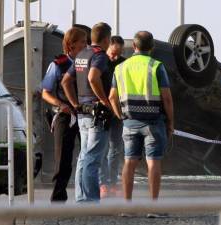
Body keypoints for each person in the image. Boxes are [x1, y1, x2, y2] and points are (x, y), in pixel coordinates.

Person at [109, 31, 174, 217]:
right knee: (153, 162)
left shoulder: (121, 68)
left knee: (129, 162)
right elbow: (167, 98)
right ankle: (153, 208)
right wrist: (171, 122)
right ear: (152, 47)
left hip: (130, 122)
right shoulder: (156, 66)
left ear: (134, 47)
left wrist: (120, 115)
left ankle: (126, 208)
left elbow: (112, 96)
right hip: (153, 123)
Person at [61, 22, 113, 202]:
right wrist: (104, 101)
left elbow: (66, 81)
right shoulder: (100, 56)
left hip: (83, 112)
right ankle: (91, 200)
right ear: (107, 39)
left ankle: (82, 198)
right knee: (93, 158)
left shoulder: (81, 55)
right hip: (96, 114)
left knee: (84, 156)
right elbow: (93, 77)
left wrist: (75, 103)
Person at [41, 27, 87, 202]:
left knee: (88, 155)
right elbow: (45, 92)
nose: (86, 45)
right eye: (82, 42)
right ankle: (58, 197)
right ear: (71, 45)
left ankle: (85, 195)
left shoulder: (87, 62)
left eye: (86, 41)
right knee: (63, 160)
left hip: (84, 115)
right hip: (64, 116)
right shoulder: (57, 65)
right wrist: (61, 105)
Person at [99, 36, 126, 198]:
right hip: (102, 110)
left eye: (118, 54)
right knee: (102, 148)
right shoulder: (100, 61)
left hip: (118, 111)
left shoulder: (124, 63)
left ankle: (113, 182)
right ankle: (103, 183)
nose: (115, 57)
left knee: (116, 148)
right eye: (113, 53)